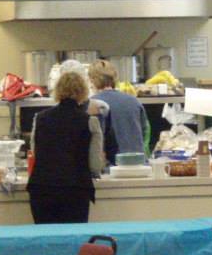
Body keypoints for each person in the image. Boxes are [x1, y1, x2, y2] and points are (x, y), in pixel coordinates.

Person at [27, 71, 104, 223]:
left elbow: (35, 152)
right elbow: (95, 163)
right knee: (74, 240)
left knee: (45, 240)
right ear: (83, 92)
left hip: (42, 189)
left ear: (57, 91)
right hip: (75, 189)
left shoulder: (40, 118)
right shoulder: (90, 121)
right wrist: (96, 172)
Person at [88, 59, 149, 164]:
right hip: (138, 165)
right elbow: (144, 133)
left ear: (92, 80)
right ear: (115, 78)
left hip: (110, 168)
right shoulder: (134, 101)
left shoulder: (92, 105)